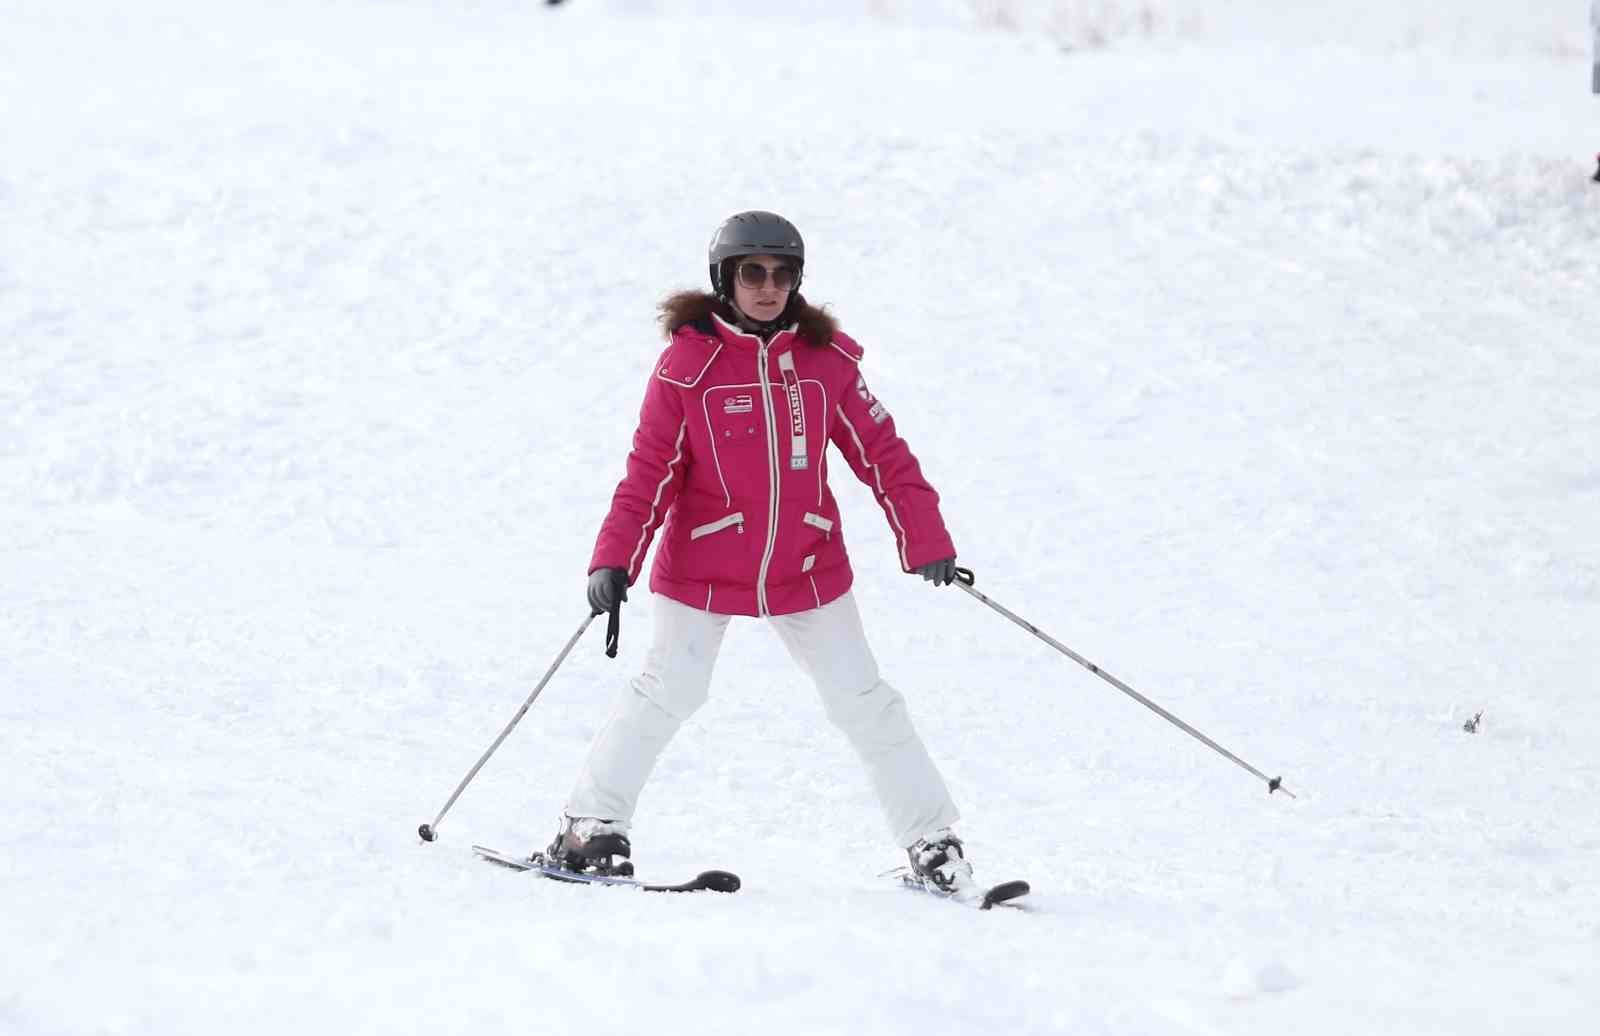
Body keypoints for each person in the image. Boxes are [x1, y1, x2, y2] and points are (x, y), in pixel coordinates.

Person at [543, 211, 976, 893]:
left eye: (783, 273)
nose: (768, 287)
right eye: (753, 273)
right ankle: (588, 831)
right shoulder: (689, 368)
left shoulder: (825, 364)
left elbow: (884, 455)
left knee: (866, 700)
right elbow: (649, 470)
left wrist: (925, 539)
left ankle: (935, 845)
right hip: (703, 568)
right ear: (726, 280)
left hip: (806, 566)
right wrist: (614, 558)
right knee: (669, 690)